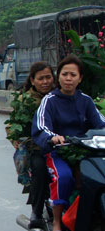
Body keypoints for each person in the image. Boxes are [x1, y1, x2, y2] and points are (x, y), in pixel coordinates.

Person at [32, 54, 105, 231]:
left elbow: (101, 124)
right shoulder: (49, 101)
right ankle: (57, 221)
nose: (68, 78)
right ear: (59, 76)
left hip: (85, 152)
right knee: (63, 177)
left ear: (80, 78)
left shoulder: (86, 101)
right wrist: (53, 138)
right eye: (65, 74)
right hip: (59, 152)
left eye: (73, 75)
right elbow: (41, 127)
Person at [6, 61, 55, 228]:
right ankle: (36, 210)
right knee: (40, 170)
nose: (45, 82)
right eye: (41, 78)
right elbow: (12, 125)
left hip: (61, 147)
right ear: (33, 80)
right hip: (38, 149)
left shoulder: (60, 96)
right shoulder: (24, 100)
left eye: (48, 77)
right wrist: (18, 141)